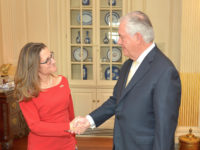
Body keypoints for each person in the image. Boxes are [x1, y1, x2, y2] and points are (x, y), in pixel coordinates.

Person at [72, 11, 181, 150]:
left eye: (122, 37)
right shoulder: (128, 64)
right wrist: (88, 120)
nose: (118, 41)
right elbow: (116, 100)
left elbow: (165, 129)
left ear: (137, 37)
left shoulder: (165, 71)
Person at [14, 42, 77, 150]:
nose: (53, 61)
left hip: (68, 144)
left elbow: (70, 114)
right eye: (47, 60)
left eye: (51, 56)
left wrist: (73, 139)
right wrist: (68, 127)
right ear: (34, 67)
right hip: (42, 146)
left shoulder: (63, 81)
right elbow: (35, 126)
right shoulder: (26, 91)